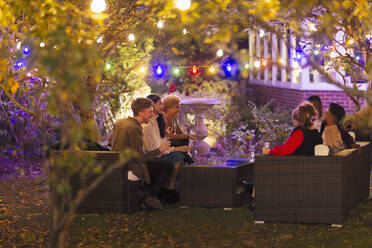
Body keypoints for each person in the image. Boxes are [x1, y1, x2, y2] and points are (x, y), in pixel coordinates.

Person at [110, 98, 172, 210]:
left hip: (118, 162)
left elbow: (111, 142)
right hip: (129, 166)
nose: (152, 115)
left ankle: (146, 195)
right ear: (140, 113)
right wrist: (159, 150)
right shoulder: (134, 128)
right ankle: (146, 195)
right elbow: (139, 158)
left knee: (160, 164)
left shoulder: (121, 122)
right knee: (167, 166)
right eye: (150, 112)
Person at [143, 94, 191, 202]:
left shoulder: (172, 119)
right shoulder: (162, 118)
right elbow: (168, 136)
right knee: (180, 154)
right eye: (177, 107)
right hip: (160, 149)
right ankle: (169, 188)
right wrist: (184, 137)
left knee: (182, 153)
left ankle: (173, 188)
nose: (178, 110)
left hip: (165, 146)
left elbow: (176, 132)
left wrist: (186, 136)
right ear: (169, 107)